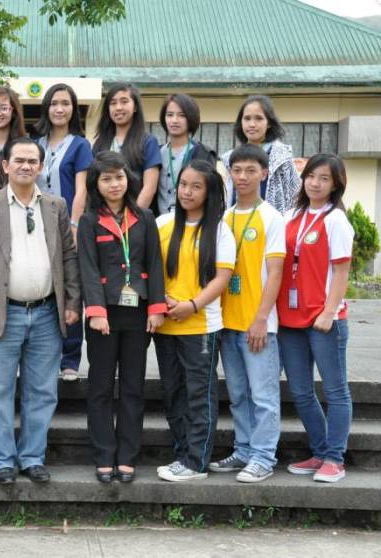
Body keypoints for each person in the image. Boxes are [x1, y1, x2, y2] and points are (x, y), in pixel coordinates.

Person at [0, 137, 81, 485]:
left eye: (33, 160)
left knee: (42, 390)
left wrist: (73, 302)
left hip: (46, 312)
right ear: (5, 165)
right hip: (2, 311)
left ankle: (32, 457)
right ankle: (1, 460)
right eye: (19, 160)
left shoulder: (56, 206)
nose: (26, 166)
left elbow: (69, 258)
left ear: (41, 166)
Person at [77, 151, 167, 483]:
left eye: (119, 177)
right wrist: (96, 311)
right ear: (95, 184)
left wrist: (157, 308)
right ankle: (103, 455)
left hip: (138, 314)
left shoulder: (144, 217)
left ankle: (127, 456)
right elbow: (87, 267)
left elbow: (154, 265)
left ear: (128, 179)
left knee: (132, 387)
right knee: (100, 387)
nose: (114, 184)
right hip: (103, 317)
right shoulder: (88, 221)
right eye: (106, 178)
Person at [154, 160, 235, 482]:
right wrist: (163, 301)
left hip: (200, 325)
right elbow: (151, 269)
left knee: (199, 393)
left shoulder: (220, 230)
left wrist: (192, 305)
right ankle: (182, 454)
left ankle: (196, 461)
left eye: (196, 186)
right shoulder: (162, 223)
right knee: (173, 392)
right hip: (166, 325)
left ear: (209, 191)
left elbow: (222, 277)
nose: (186, 191)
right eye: (183, 184)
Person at [277, 153, 354, 483]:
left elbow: (341, 272)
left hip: (324, 320)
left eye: (324, 178)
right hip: (290, 320)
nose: (315, 183)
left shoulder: (336, 220)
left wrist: (328, 312)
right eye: (311, 176)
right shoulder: (291, 214)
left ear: (336, 184)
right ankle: (320, 451)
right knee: (301, 391)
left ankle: (335, 459)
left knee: (335, 391)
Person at [211, 144, 285, 483]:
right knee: (238, 395)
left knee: (264, 396)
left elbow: (276, 274)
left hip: (258, 325)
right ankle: (243, 450)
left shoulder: (271, 217)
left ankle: (264, 457)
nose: (242, 177)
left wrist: (261, 319)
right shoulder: (224, 217)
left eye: (250, 170)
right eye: (237, 170)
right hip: (228, 323)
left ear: (263, 174)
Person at [33, 83, 94, 382]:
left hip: (68, 227)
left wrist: (73, 224)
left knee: (70, 290)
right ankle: (43, 355)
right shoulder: (35, 144)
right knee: (42, 289)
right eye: (54, 103)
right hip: (35, 227)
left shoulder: (80, 145)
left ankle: (70, 359)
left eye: (65, 103)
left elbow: (82, 189)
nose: (59, 108)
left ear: (73, 109)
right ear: (46, 107)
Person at [222, 95, 300, 213]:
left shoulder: (282, 158)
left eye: (258, 118)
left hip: (272, 226)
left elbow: (296, 196)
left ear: (269, 123)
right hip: (236, 223)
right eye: (247, 118)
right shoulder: (230, 158)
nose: (252, 124)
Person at [91, 83, 161, 209]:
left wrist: (133, 219)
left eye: (124, 102)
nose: (118, 107)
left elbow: (149, 188)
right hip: (104, 217)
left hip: (135, 217)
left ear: (135, 107)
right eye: (113, 103)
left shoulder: (148, 142)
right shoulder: (100, 144)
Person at [156, 94, 217, 216]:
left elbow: (211, 194)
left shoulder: (203, 154)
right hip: (159, 224)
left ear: (191, 118)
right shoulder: (155, 152)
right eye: (169, 115)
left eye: (181, 115)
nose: (174, 120)